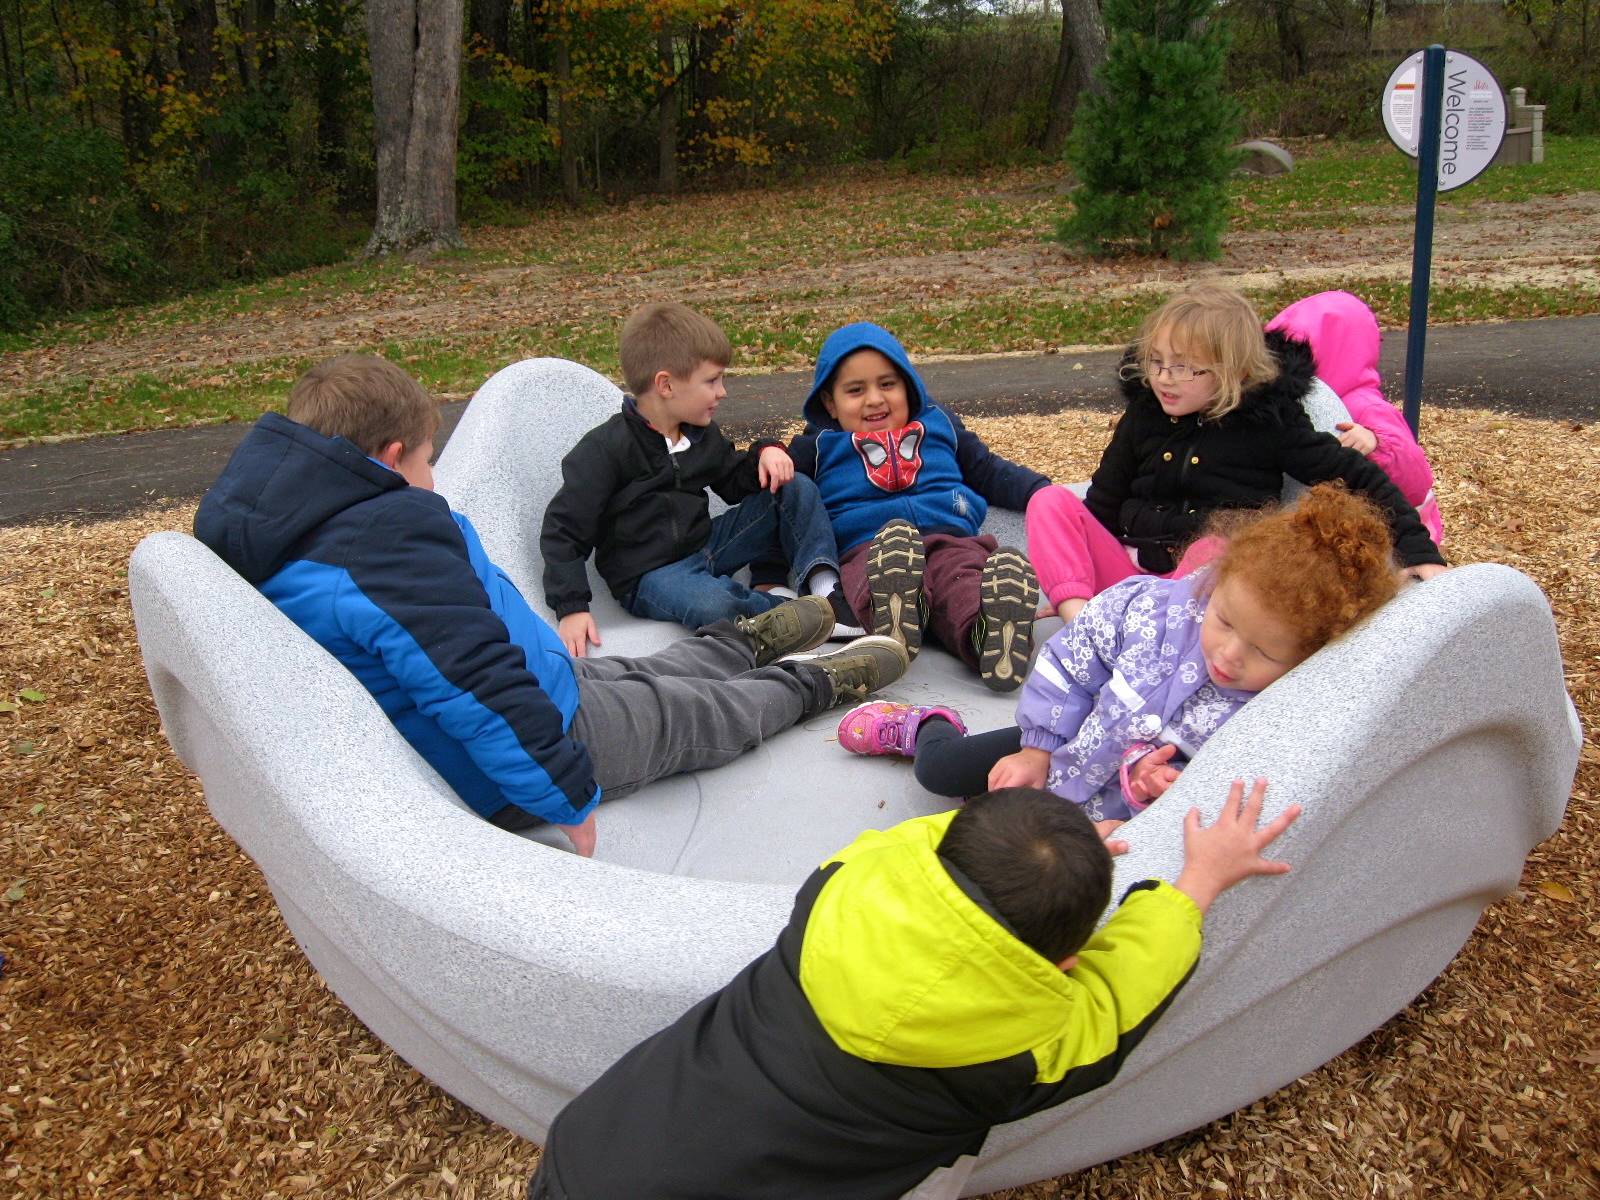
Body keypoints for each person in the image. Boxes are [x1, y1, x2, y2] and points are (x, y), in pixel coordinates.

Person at [193, 354, 909, 857]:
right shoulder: (381, 544)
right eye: (425, 460)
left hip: (538, 686)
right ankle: (816, 680)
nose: (431, 475)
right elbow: (469, 677)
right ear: (387, 457)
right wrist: (563, 792)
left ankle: (749, 638)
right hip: (545, 742)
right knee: (699, 715)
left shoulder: (303, 526)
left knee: (652, 673)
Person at [527, 780, 1302, 1200]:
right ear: (1064, 965)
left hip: (591, 1154)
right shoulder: (1023, 1054)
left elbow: (911, 849)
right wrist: (1199, 877)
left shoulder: (837, 887)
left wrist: (1036, 844)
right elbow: (1123, 992)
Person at [840, 484, 1399, 838]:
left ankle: (988, 798)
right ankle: (930, 725)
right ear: (1218, 584)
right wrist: (1037, 750)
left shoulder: (1279, 709)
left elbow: (1232, 792)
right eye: (1225, 621)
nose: (1229, 655)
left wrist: (1158, 791)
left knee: (996, 853)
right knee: (939, 771)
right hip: (1064, 742)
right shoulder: (1157, 610)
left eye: (1264, 651)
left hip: (1101, 817)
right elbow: (1072, 662)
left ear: (1306, 654)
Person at [1024, 283, 1447, 625]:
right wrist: (1073, 575)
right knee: (1049, 501)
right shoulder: (1145, 414)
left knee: (1216, 548)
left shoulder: (1269, 424)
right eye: (1156, 361)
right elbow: (1103, 504)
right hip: (1126, 574)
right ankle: (1080, 622)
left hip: (1199, 596)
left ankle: (1138, 634)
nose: (1164, 379)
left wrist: (1420, 554)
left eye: (1186, 367)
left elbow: (1361, 478)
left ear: (1235, 372)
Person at [541, 302, 843, 658]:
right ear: (666, 385)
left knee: (792, 485)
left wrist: (766, 453)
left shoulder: (700, 434)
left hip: (708, 547)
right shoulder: (605, 449)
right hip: (651, 578)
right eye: (711, 380)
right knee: (712, 604)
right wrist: (572, 607)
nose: (722, 391)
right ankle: (788, 614)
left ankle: (827, 593)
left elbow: (734, 482)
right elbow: (564, 530)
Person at [787, 321, 1052, 691]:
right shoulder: (818, 445)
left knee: (964, 583)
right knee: (869, 576)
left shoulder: (938, 424)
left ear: (910, 386)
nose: (875, 399)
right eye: (855, 390)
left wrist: (1040, 492)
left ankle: (989, 633)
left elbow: (986, 469)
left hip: (951, 537)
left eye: (887, 384)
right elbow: (786, 503)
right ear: (830, 403)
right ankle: (894, 611)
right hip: (871, 545)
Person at [1266, 289, 1445, 544]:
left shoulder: (1365, 405)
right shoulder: (1293, 405)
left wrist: (1376, 442)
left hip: (1393, 531)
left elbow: (1415, 477)